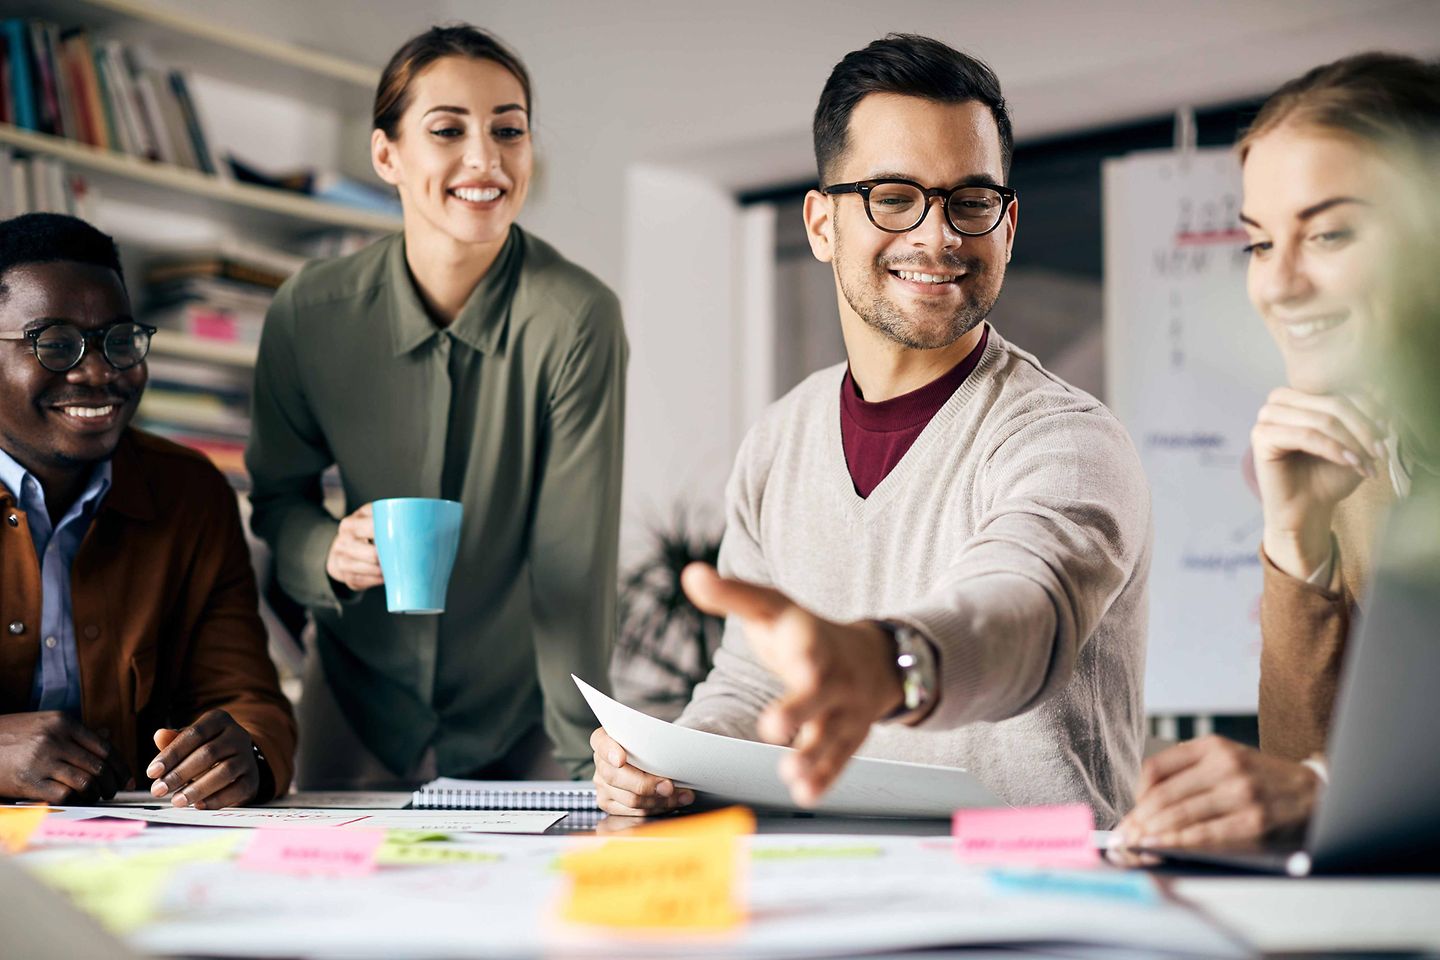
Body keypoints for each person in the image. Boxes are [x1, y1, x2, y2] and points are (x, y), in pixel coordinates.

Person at [591, 34, 1152, 824]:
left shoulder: (1066, 441)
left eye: (971, 200)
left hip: (1039, 907)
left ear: (1008, 223)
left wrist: (890, 663)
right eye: (893, 196)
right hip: (837, 892)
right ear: (822, 224)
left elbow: (1025, 610)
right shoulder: (779, 441)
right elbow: (752, 687)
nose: (938, 236)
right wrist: (667, 762)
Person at [246, 25, 627, 788]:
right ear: (387, 155)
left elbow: (571, 571)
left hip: (518, 710)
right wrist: (327, 551)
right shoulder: (310, 312)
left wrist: (592, 758)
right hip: (357, 698)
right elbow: (279, 503)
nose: (485, 159)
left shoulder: (576, 316)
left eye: (508, 130)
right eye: (448, 130)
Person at [1115, 52, 1440, 856]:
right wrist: (1301, 546)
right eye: (1260, 245)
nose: (1280, 285)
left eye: (1328, 232)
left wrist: (1324, 789)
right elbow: (1302, 809)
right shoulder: (1370, 470)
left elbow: (1321, 790)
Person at [0, 213, 295, 808]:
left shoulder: (190, 494)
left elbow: (248, 698)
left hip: (133, 858)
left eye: (120, 340)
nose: (100, 371)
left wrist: (247, 757)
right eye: (55, 344)